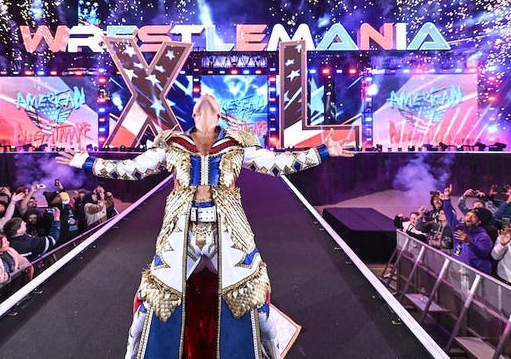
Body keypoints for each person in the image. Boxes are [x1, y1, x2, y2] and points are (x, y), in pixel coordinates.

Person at [57, 94, 354, 359]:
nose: (207, 104)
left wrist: (324, 151)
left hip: (228, 233)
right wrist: (85, 162)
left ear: (220, 113)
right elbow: (131, 169)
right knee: (151, 305)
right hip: (180, 234)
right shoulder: (172, 144)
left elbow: (278, 164)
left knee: (255, 305)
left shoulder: (237, 145)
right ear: (194, 114)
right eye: (201, 104)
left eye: (212, 104)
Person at [441, 185, 493, 275]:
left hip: (475, 275)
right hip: (458, 271)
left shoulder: (483, 237)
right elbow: (449, 215)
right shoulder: (459, 228)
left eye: (473, 217)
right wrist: (447, 198)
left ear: (478, 222)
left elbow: (482, 254)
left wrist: (469, 242)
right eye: (467, 215)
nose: (469, 218)